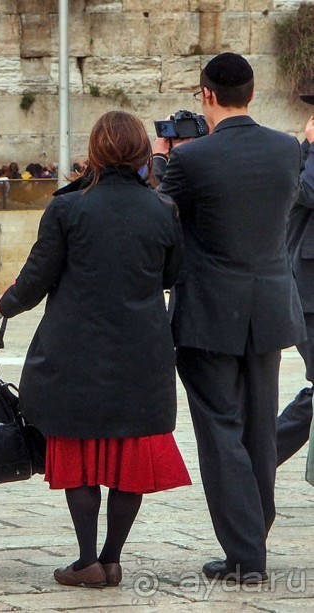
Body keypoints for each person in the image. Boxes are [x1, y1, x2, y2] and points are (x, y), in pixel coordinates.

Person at [0, 111, 189, 588]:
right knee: (129, 453)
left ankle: (86, 560)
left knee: (80, 451)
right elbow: (172, 274)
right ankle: (112, 558)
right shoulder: (162, 209)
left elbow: (37, 277)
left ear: (98, 149)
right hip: (141, 349)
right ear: (144, 150)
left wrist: (5, 306)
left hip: (75, 348)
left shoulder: (67, 208)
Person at [158, 53, 304, 584]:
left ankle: (246, 553)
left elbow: (162, 221)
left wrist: (162, 163)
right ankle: (252, 533)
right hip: (268, 307)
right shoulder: (288, 149)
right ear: (252, 91)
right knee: (260, 429)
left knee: (220, 429)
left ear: (207, 95)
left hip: (208, 312)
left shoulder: (192, 160)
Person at [276, 104, 314, 466]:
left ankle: (263, 453)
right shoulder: (301, 155)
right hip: (308, 295)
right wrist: (309, 146)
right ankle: (263, 453)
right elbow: (301, 190)